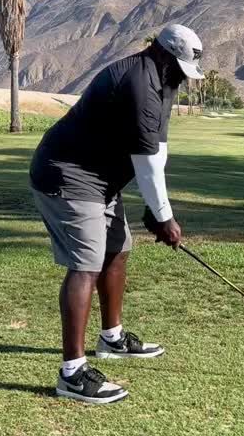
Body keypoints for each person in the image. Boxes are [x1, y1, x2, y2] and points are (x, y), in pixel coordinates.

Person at [29, 24, 204, 405]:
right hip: (69, 174)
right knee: (86, 265)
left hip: (102, 179)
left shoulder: (163, 81)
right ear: (161, 53)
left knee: (118, 250)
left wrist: (157, 210)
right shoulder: (140, 82)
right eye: (179, 67)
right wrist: (164, 217)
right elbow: (146, 163)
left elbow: (156, 150)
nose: (181, 76)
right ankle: (73, 374)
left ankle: (112, 338)